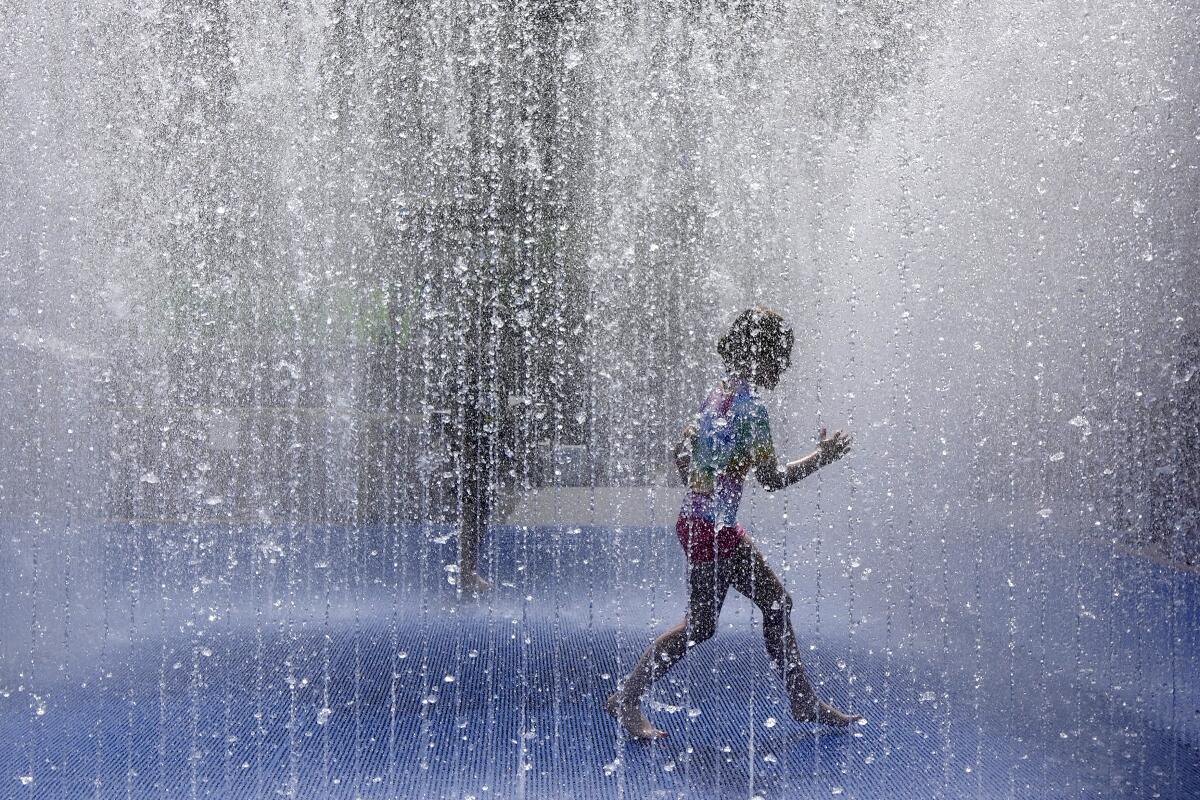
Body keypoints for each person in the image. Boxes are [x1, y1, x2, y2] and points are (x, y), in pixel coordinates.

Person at [605, 306, 862, 739]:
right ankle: (627, 698)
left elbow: (680, 452)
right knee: (704, 625)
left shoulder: (718, 394)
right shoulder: (752, 410)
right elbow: (773, 480)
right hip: (711, 531)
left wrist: (703, 485)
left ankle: (802, 700)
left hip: (704, 523)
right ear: (762, 354)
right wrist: (825, 457)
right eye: (782, 354)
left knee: (771, 604)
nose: (786, 364)